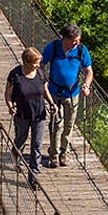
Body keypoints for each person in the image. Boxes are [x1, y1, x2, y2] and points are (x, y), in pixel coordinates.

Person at [41, 24, 93, 168]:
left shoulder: (82, 50)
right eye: (75, 40)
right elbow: (41, 64)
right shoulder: (53, 47)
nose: (77, 42)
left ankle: (65, 152)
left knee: (69, 125)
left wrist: (86, 85)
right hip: (54, 93)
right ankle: (54, 154)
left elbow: (89, 71)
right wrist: (42, 81)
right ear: (65, 38)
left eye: (78, 40)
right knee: (56, 124)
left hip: (73, 93)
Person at [5, 47, 54, 187]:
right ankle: (16, 154)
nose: (38, 65)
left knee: (37, 145)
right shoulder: (15, 75)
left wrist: (51, 103)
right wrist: (10, 106)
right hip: (21, 114)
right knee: (21, 139)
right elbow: (8, 94)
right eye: (36, 63)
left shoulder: (40, 73)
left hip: (39, 114)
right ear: (27, 62)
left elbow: (45, 90)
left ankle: (34, 177)